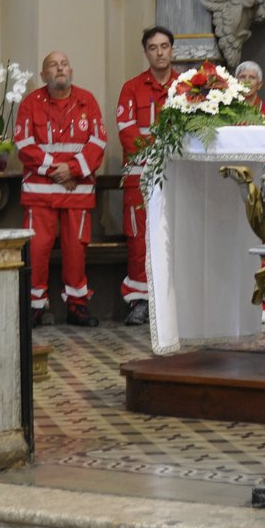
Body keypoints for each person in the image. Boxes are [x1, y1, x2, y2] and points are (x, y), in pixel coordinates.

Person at [15, 51, 105, 327]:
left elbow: (98, 142)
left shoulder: (87, 101)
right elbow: (23, 144)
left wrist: (73, 170)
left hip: (76, 192)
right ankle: (35, 306)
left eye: (64, 64)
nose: (60, 69)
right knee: (37, 249)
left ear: (71, 70)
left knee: (75, 250)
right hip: (40, 193)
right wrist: (58, 170)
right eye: (53, 66)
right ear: (44, 75)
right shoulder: (31, 103)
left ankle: (77, 306)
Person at [115, 26, 179, 327]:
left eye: (164, 46)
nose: (160, 52)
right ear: (146, 52)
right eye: (153, 47)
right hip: (139, 179)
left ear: (172, 49)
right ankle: (140, 302)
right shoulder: (131, 88)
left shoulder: (186, 87)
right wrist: (158, 152)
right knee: (139, 241)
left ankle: (176, 300)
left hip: (178, 179)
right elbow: (127, 133)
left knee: (177, 237)